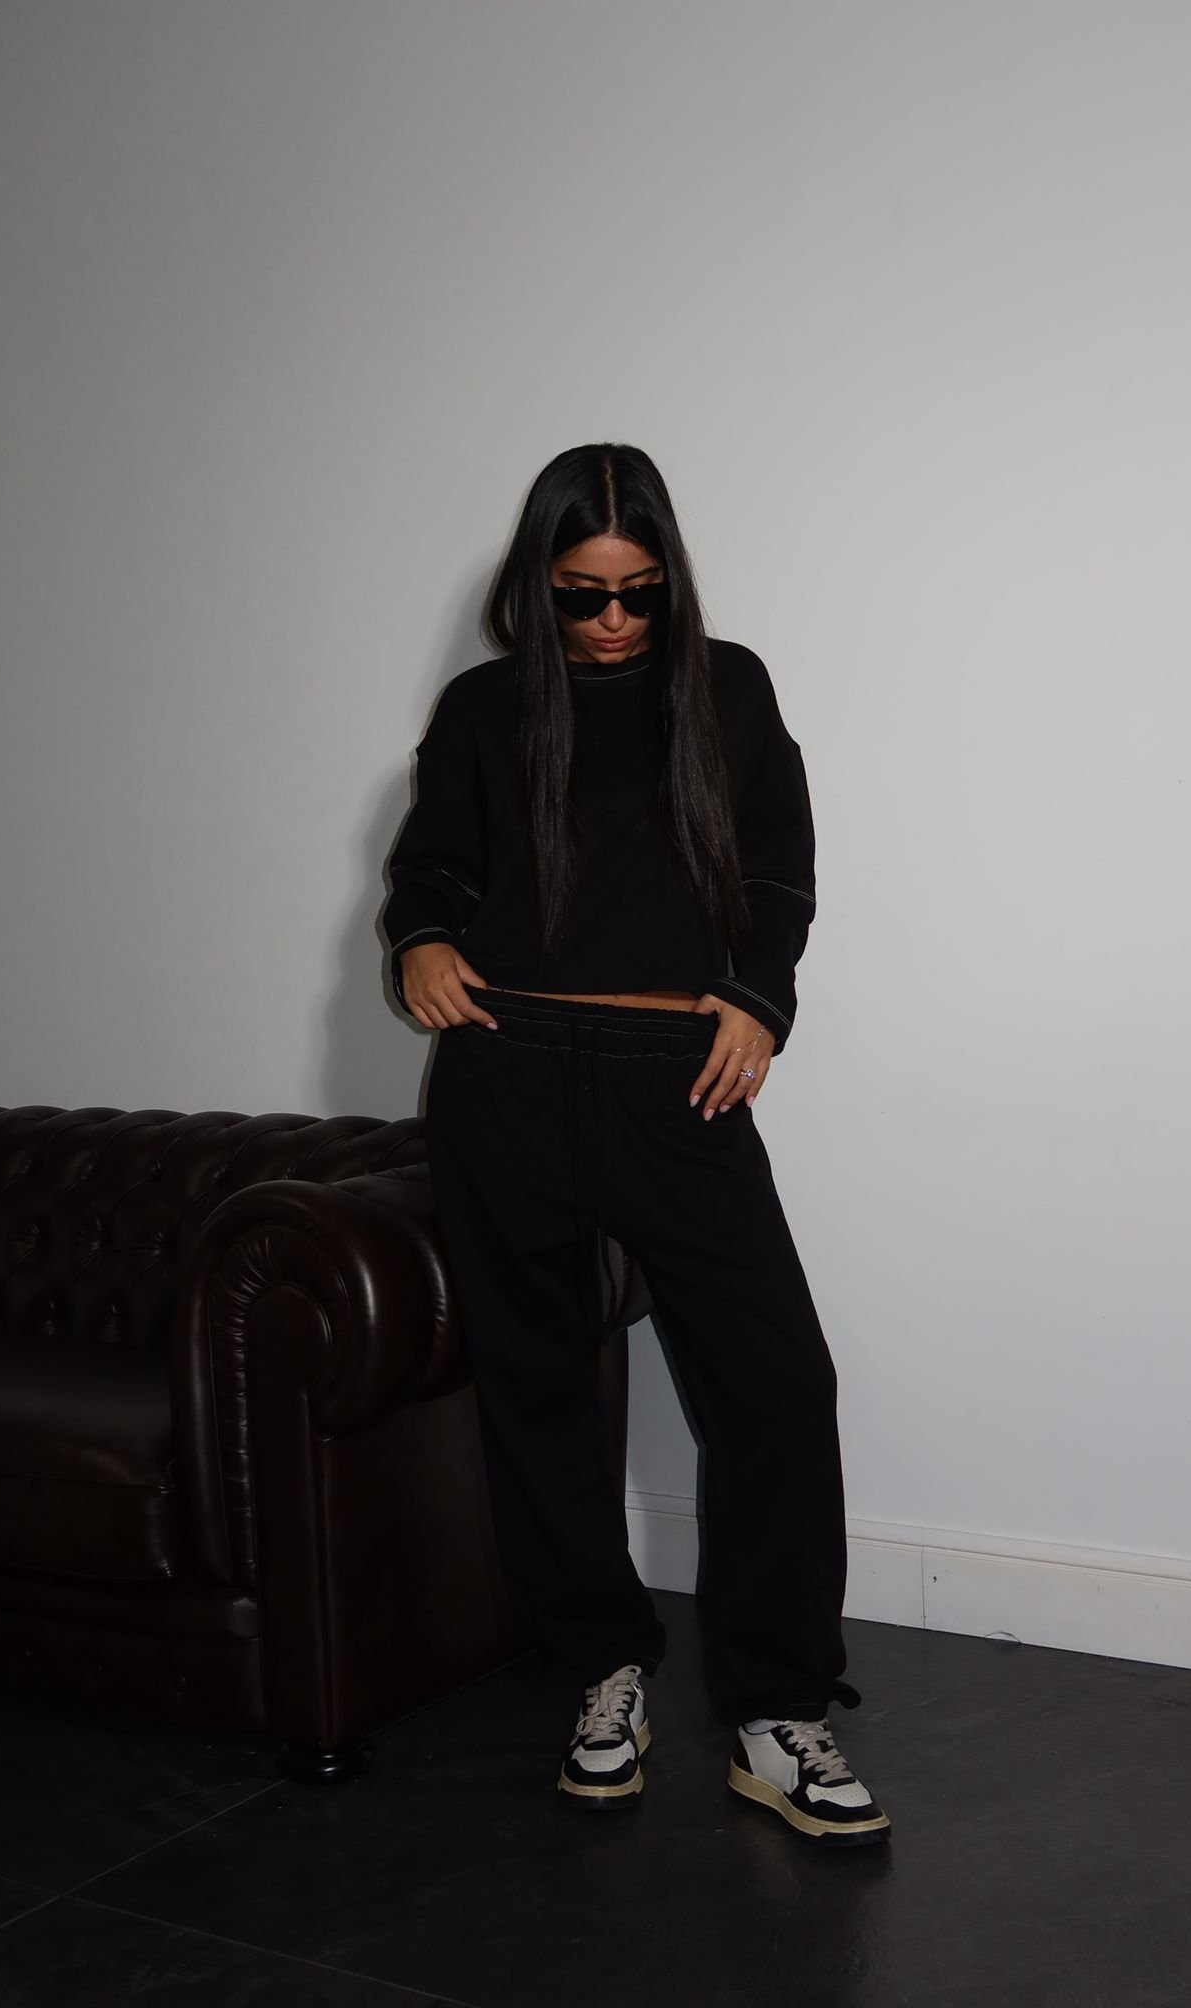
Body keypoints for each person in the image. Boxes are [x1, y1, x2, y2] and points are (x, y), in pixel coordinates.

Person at [383, 442, 889, 1848]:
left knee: (776, 1382)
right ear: (534, 586)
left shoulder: (726, 689)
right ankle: (599, 1667)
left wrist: (758, 998)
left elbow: (776, 864)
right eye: (580, 595)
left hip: (679, 1078)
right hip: (509, 1074)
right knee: (538, 1385)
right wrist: (421, 937)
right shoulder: (484, 708)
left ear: (671, 582)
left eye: (638, 592)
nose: (611, 621)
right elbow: (433, 864)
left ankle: (779, 1710)